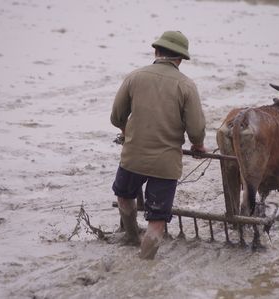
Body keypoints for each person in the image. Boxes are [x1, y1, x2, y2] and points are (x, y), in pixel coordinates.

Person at [110, 30, 206, 259]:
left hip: (132, 156)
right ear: (181, 59)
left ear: (156, 51)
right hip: (165, 164)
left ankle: (131, 235)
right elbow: (196, 130)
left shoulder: (135, 76)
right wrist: (198, 146)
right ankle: (143, 267)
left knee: (124, 195)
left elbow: (116, 116)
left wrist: (128, 132)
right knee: (156, 220)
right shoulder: (187, 86)